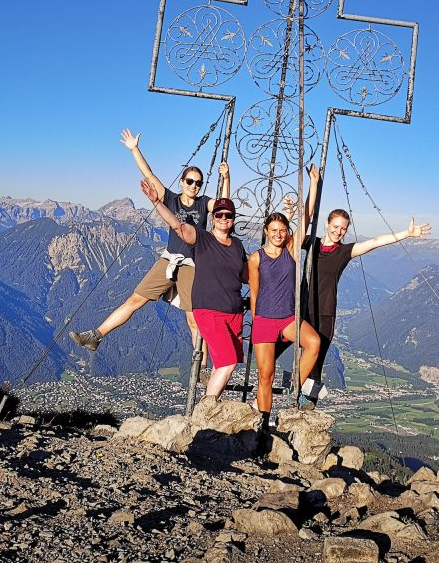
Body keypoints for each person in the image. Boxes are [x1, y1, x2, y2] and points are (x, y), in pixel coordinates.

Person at [69, 128, 229, 369]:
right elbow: (148, 173)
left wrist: (226, 178)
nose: (194, 186)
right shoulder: (171, 198)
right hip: (169, 260)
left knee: (194, 320)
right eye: (190, 181)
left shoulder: (204, 203)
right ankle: (95, 336)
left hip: (192, 265)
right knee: (135, 299)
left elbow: (225, 207)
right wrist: (134, 149)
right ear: (182, 182)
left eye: (198, 183)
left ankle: (202, 369)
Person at [301, 209, 431, 406]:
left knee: (317, 359)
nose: (338, 232)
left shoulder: (344, 252)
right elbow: (290, 238)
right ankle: (285, 391)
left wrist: (406, 234)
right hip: (303, 309)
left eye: (343, 229)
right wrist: (292, 213)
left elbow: (376, 241)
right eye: (335, 226)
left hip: (325, 312)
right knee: (297, 350)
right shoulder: (312, 243)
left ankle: (308, 400)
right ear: (327, 224)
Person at [141, 179, 247, 399]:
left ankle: (211, 406)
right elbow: (177, 226)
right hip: (209, 310)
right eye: (219, 214)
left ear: (233, 219)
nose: (223, 218)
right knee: (227, 363)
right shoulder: (202, 238)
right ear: (212, 218)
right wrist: (157, 202)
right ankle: (206, 408)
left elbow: (246, 275)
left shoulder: (237, 245)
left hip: (234, 312)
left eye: (228, 215)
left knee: (226, 364)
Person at [247, 166, 320, 431]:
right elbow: (254, 291)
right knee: (265, 376)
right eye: (274, 230)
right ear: (266, 231)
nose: (278, 234)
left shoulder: (291, 250)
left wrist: (314, 184)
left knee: (313, 342)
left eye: (282, 230)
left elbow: (307, 217)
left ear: (287, 231)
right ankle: (263, 425)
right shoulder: (256, 258)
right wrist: (256, 319)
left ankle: (294, 387)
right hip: (265, 319)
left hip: (288, 318)